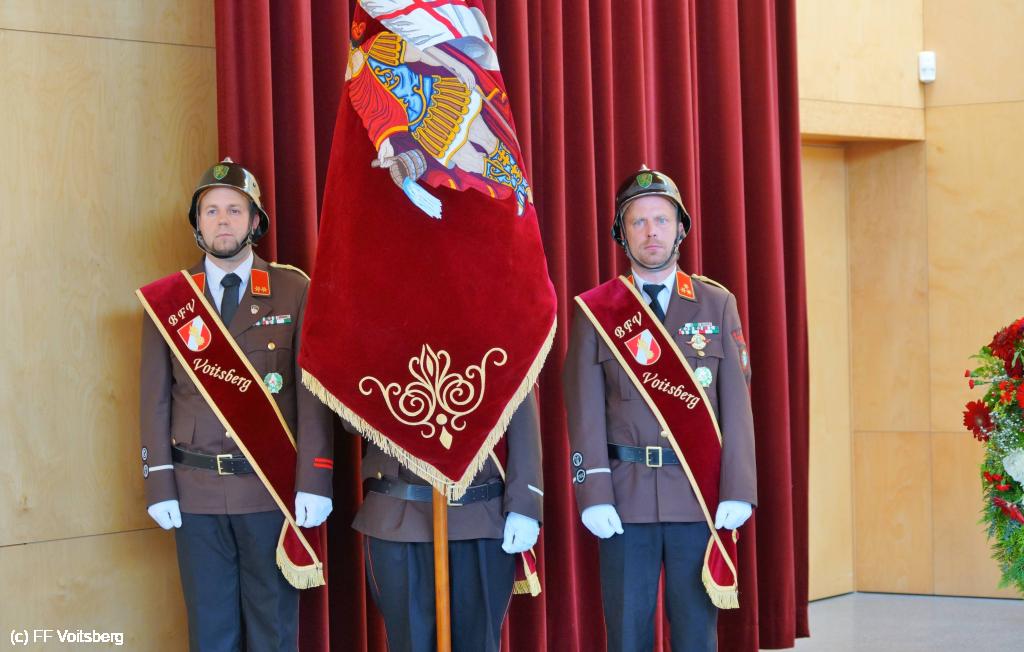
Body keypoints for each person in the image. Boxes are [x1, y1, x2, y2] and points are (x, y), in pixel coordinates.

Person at [138, 159, 334, 651]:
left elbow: (311, 393)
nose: (222, 220)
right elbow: (154, 401)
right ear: (197, 222)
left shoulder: (292, 289)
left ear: (254, 221)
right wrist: (159, 482)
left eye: (234, 210)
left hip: (269, 490)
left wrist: (315, 478)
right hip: (196, 494)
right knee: (211, 635)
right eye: (211, 211)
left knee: (274, 633)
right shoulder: (170, 300)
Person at [562, 166, 757, 652]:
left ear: (680, 229)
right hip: (623, 499)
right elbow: (584, 412)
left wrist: (738, 488)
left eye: (662, 220)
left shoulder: (716, 303)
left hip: (697, 494)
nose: (651, 231)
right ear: (622, 234)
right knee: (627, 635)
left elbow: (737, 406)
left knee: (695, 635)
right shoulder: (596, 311)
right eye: (639, 221)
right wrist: (593, 492)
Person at [352, 391, 543, 652]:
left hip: (481, 514)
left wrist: (525, 502)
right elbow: (351, 419)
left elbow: (520, 393)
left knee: (479, 644)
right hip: (398, 513)